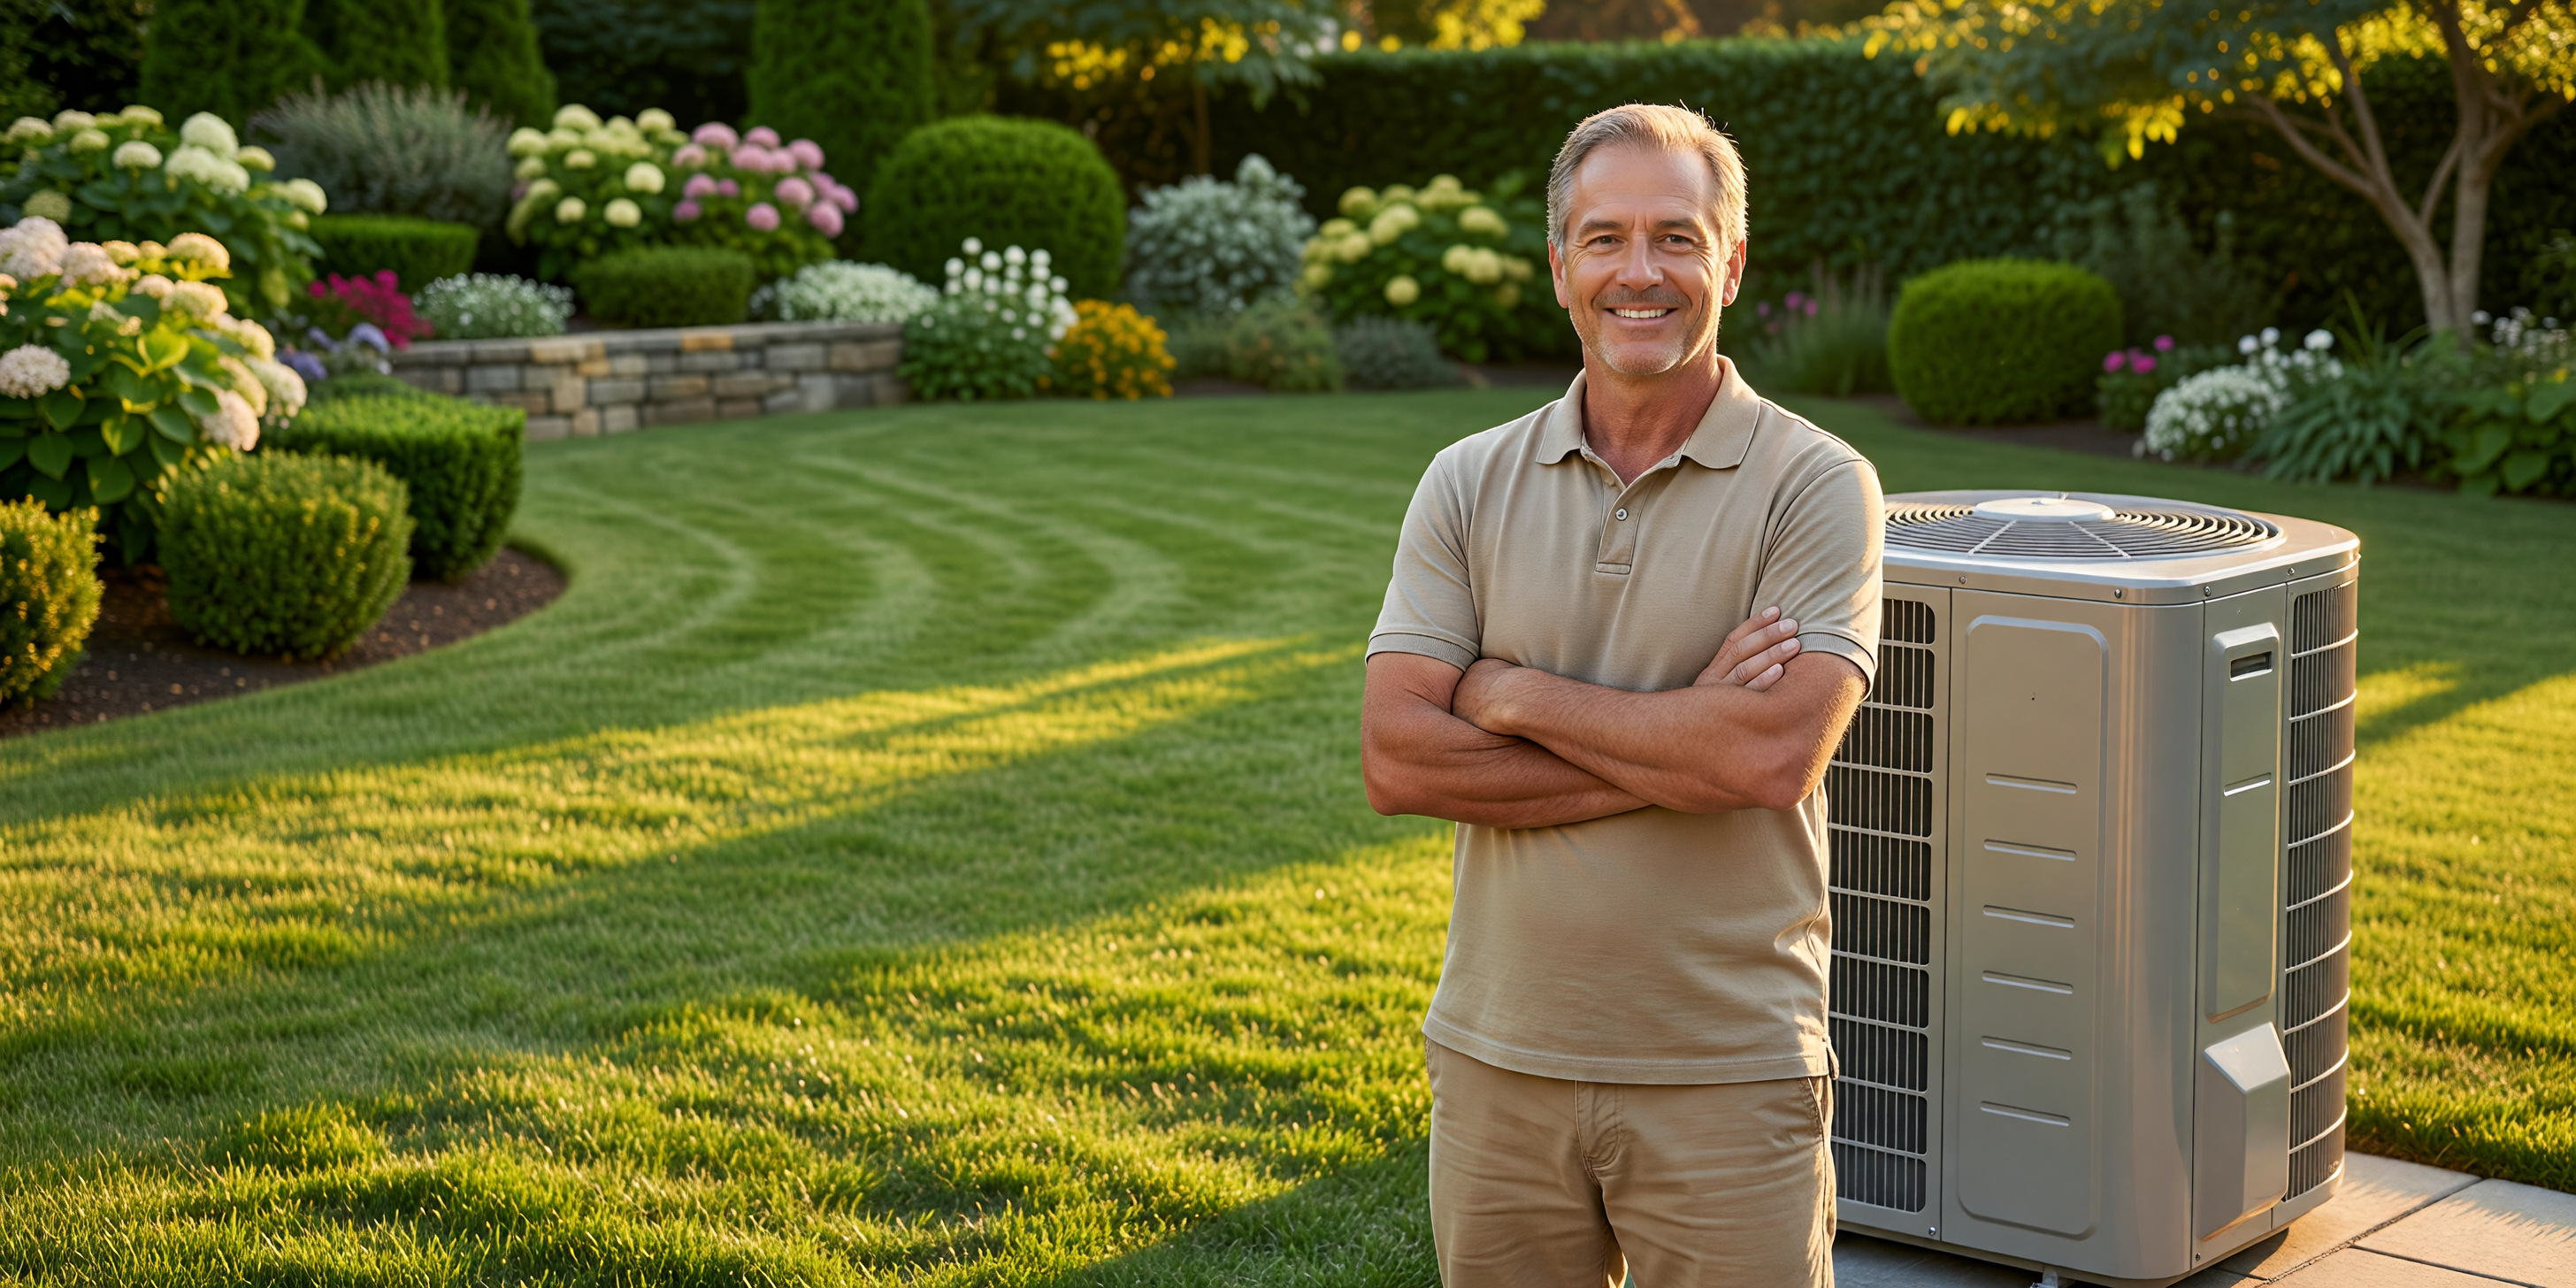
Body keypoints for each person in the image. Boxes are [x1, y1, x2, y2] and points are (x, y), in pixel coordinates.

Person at [1359, 103, 1886, 1288]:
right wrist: (1677, 736)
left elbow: (1763, 761)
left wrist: (1508, 690)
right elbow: (1399, 760)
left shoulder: (1818, 486)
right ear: (1559, 269)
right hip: (1499, 1059)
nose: (1639, 273)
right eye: (1604, 239)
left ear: (1733, 262)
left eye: (1678, 238)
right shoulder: (1467, 481)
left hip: (1727, 1069)